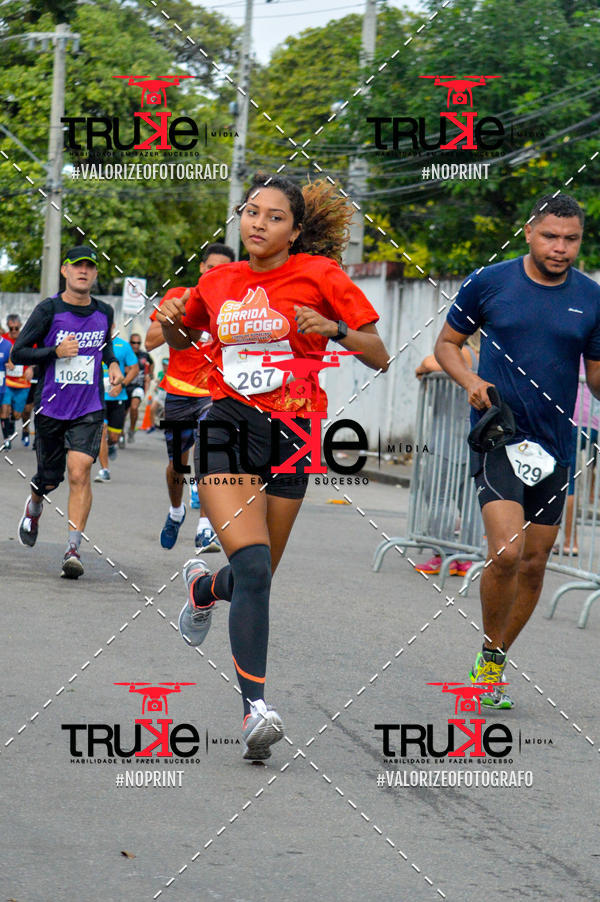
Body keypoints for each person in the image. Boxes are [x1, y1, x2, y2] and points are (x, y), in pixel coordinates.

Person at [157, 172, 389, 761]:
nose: (258, 223)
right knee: (256, 565)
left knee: (254, 577)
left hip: (293, 432)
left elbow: (379, 355)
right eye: (251, 211)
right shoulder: (218, 280)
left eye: (274, 216)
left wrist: (334, 329)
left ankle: (205, 588)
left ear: (295, 230)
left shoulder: (322, 277)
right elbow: (173, 341)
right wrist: (178, 318)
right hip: (227, 424)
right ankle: (254, 710)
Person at [434, 194, 600, 709]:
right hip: (499, 434)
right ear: (529, 232)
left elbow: (595, 379)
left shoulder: (591, 299)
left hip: (555, 444)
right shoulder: (491, 282)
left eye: (571, 239)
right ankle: (489, 650)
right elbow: (446, 344)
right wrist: (469, 378)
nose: (561, 248)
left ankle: (495, 658)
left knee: (533, 563)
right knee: (506, 551)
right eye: (551, 236)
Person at [11, 245, 123, 578]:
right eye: (77, 267)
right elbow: (19, 354)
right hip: (50, 407)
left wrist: (114, 365)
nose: (83, 272)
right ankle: (34, 505)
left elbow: (107, 349)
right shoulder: (48, 310)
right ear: (65, 271)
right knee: (49, 477)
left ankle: (73, 549)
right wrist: (55, 351)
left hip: (88, 407)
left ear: (96, 274)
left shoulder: (104, 311)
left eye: (89, 267)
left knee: (80, 471)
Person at [146, 243, 235, 552]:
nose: (215, 275)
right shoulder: (178, 296)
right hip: (179, 392)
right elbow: (149, 340)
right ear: (201, 269)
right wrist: (181, 316)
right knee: (176, 466)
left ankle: (205, 527)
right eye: (211, 269)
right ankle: (176, 512)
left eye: (222, 270)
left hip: (215, 393)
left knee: (208, 457)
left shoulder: (233, 305)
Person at [414, 336, 481, 577]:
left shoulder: (462, 354)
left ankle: (442, 554)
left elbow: (429, 363)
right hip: (470, 438)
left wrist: (423, 369)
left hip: (447, 439)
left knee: (439, 497)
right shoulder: (485, 358)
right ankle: (468, 555)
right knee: (470, 502)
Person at [94, 325, 139, 482]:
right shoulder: (94, 343)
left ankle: (111, 445)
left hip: (118, 398)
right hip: (98, 397)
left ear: (112, 326)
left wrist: (122, 384)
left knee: (113, 437)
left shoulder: (123, 345)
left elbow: (134, 368)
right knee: (102, 431)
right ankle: (104, 470)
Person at [1, 314, 35, 449]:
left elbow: (36, 355)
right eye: (11, 328)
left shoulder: (28, 338)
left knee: (22, 413)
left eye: (16, 328)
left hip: (23, 383)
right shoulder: (4, 340)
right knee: (5, 408)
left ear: (20, 326)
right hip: (7, 382)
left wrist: (31, 368)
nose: (14, 330)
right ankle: (7, 439)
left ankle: (24, 430)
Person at [126, 333, 154, 441]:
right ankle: (121, 434)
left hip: (138, 386)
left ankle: (132, 429)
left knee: (134, 407)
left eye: (138, 343)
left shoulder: (144, 355)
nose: (136, 345)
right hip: (125, 386)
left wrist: (150, 375)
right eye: (133, 342)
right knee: (123, 414)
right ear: (130, 343)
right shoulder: (125, 354)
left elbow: (151, 363)